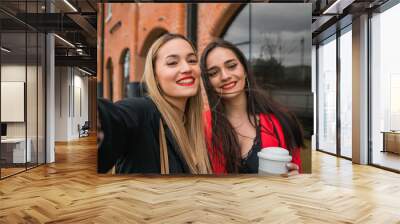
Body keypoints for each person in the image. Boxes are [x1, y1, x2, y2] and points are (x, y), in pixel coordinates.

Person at [97, 33, 212, 174]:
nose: (187, 68)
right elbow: (113, 120)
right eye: (172, 63)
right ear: (155, 75)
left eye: (192, 60)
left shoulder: (196, 128)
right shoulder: (143, 112)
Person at [200, 39, 304, 175]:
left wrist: (295, 178)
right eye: (213, 73)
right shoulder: (201, 125)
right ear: (208, 82)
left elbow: (296, 172)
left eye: (231, 66)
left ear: (244, 69)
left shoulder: (282, 120)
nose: (225, 76)